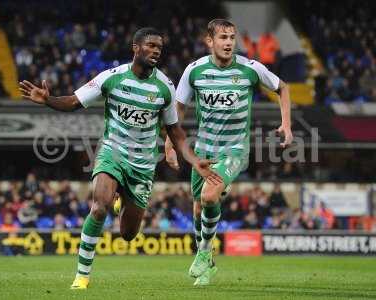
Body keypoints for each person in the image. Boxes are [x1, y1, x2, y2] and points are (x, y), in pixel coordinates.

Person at [19, 27, 218, 290]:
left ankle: (122, 198)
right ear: (135, 48)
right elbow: (74, 102)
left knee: (128, 234)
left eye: (159, 47)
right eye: (150, 45)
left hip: (143, 165)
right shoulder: (111, 78)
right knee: (99, 206)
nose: (156, 50)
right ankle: (82, 276)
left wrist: (193, 160)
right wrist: (48, 100)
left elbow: (175, 131)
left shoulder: (165, 87)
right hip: (112, 153)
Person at [165, 19, 293, 286]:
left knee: (210, 196)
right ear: (209, 41)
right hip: (203, 151)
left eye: (232, 38)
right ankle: (208, 263)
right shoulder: (194, 71)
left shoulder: (249, 68)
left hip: (234, 149)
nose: (228, 43)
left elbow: (283, 88)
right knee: (199, 208)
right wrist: (169, 144)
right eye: (222, 37)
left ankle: (203, 252)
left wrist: (286, 125)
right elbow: (179, 108)